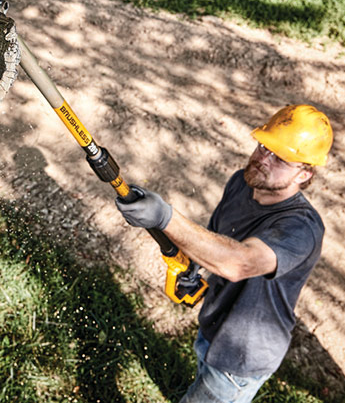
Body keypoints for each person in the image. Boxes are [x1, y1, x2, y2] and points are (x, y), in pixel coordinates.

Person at [115, 104, 333, 403]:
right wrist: (193, 268)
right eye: (263, 146)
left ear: (305, 174)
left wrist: (165, 217)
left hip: (242, 358)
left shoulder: (302, 229)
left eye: (280, 157)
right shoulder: (241, 183)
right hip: (214, 325)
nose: (262, 159)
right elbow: (217, 237)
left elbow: (240, 262)